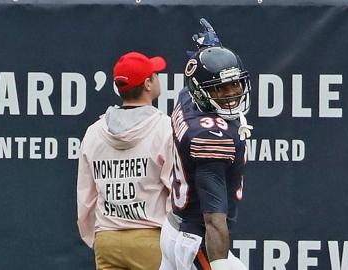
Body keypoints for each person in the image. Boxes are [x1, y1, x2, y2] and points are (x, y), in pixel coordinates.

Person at [159, 19, 252, 270]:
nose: (232, 92)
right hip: (197, 239)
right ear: (201, 91)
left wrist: (209, 50)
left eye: (235, 83)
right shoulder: (209, 137)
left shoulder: (188, 96)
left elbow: (199, 74)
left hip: (176, 227)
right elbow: (213, 220)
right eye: (220, 88)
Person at [77, 51, 173, 270]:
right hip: (151, 237)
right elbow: (175, 190)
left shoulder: (94, 132)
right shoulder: (165, 128)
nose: (158, 78)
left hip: (107, 239)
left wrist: (96, 237)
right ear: (148, 84)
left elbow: (85, 198)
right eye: (155, 74)